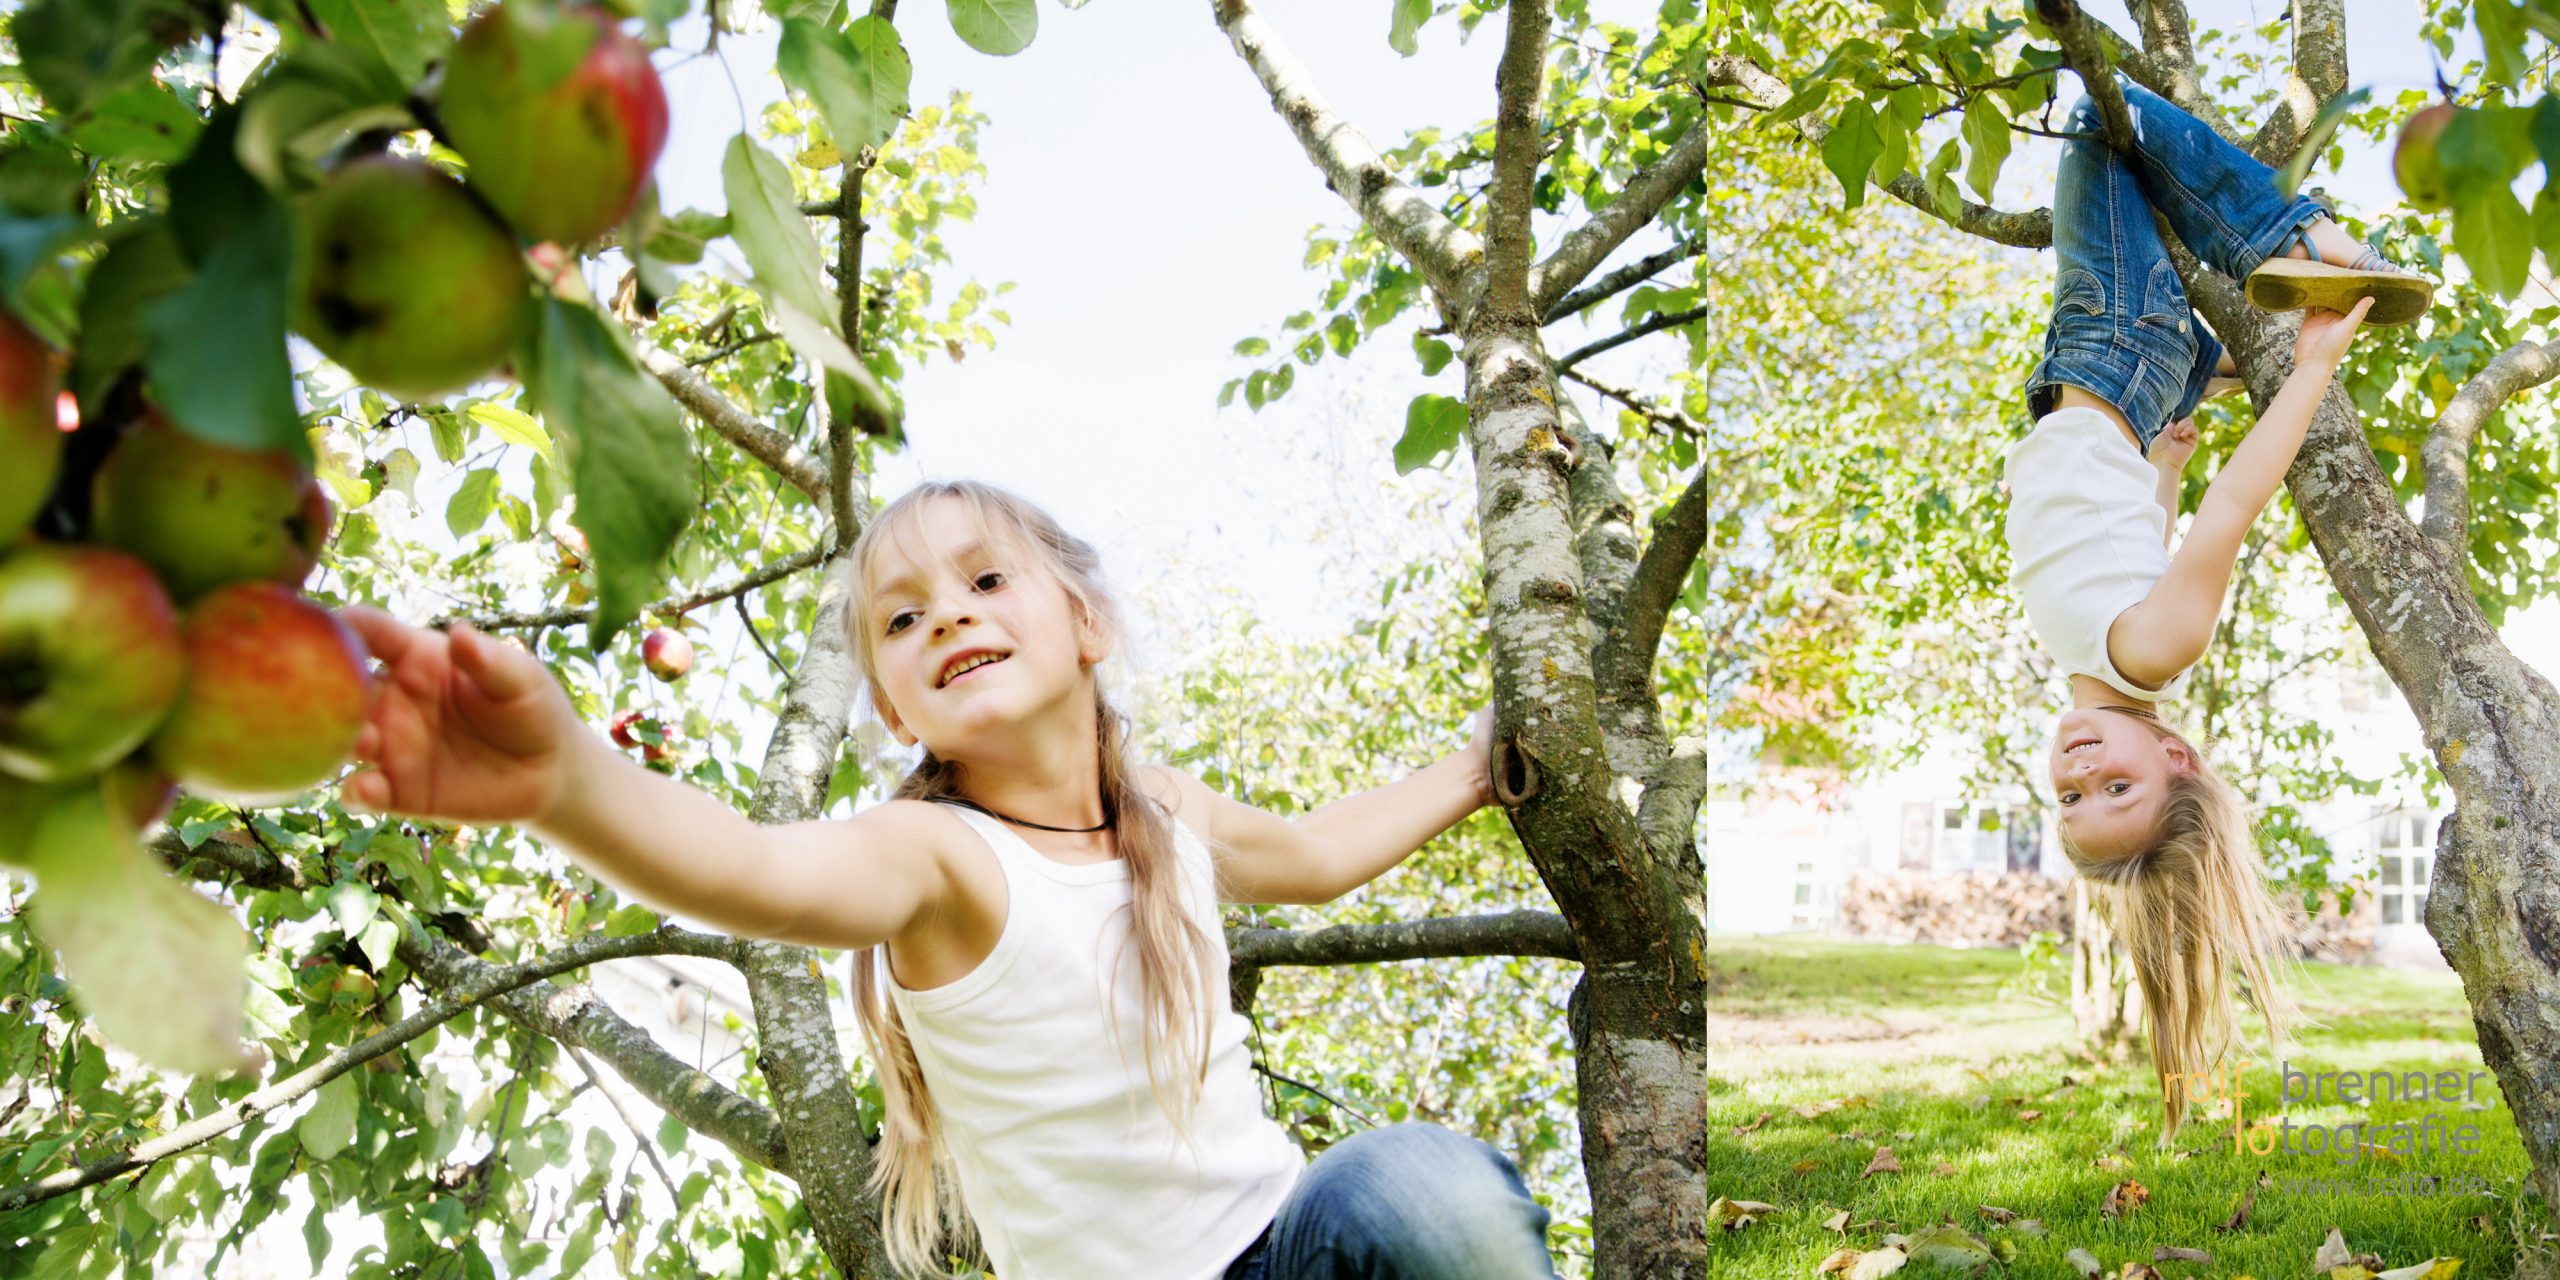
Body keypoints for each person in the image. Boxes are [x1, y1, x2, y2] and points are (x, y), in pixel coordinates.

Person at [338, 479, 1561, 1280]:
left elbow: (1310, 855)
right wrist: (568, 784)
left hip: (1294, 1249)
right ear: (889, 701)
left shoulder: (1162, 812)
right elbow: (752, 868)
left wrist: (1481, 764)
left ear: (1086, 622)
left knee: (1419, 1189)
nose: (948, 618)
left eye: (985, 581)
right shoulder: (939, 860)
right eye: (903, 617)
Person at [2006, 74, 2431, 1138]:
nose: (2073, 772)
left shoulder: (2105, 658)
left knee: (2123, 151)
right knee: (2106, 120)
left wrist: (2161, 469)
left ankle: (2242, 265)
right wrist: (2311, 363)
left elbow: (2118, 546)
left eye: (2069, 798)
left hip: (2129, 389)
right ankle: (2306, 238)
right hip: (2115, 352)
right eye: (2114, 784)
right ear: (2175, 760)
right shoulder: (2159, 649)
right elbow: (2243, 503)